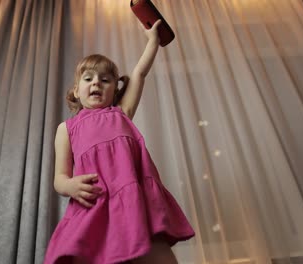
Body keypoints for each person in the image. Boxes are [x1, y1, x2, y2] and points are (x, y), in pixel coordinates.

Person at [44, 20, 195, 264]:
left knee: (161, 258)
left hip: (134, 204)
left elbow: (139, 73)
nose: (96, 83)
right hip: (94, 204)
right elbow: (60, 178)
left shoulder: (121, 112)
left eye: (105, 80)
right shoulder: (66, 129)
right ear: (75, 90)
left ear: (115, 90)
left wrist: (153, 41)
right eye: (88, 79)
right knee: (91, 254)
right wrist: (70, 186)